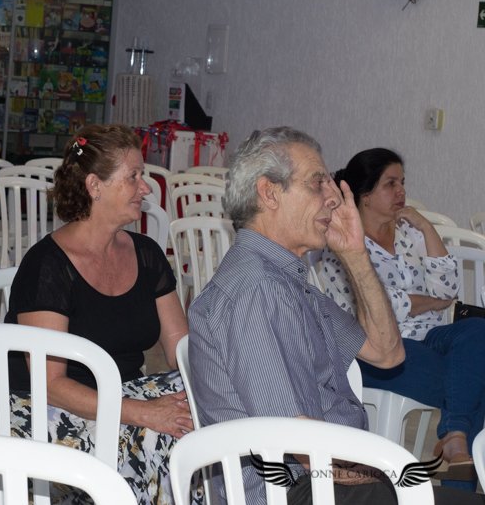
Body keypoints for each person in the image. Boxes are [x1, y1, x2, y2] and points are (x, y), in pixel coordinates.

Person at [188, 127, 481, 505]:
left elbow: (387, 353)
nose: (333, 198)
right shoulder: (257, 288)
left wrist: (356, 255)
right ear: (269, 193)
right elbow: (289, 437)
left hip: (324, 480)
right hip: (298, 491)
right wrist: (385, 472)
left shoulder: (288, 281)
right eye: (317, 184)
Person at [0, 124, 199, 505]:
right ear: (95, 186)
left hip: (117, 394)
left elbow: (182, 350)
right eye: (133, 177)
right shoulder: (48, 266)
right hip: (31, 405)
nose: (146, 188)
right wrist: (144, 414)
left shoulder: (147, 255)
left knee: (198, 411)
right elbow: (50, 384)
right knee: (152, 439)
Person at [321, 148, 485, 488]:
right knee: (474, 381)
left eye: (402, 182)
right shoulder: (341, 242)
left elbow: (449, 289)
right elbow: (379, 307)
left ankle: (454, 438)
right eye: (390, 184)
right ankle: (459, 466)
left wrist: (426, 226)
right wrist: (428, 302)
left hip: (431, 337)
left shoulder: (410, 233)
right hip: (378, 348)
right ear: (364, 195)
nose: (402, 191)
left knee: (477, 329)